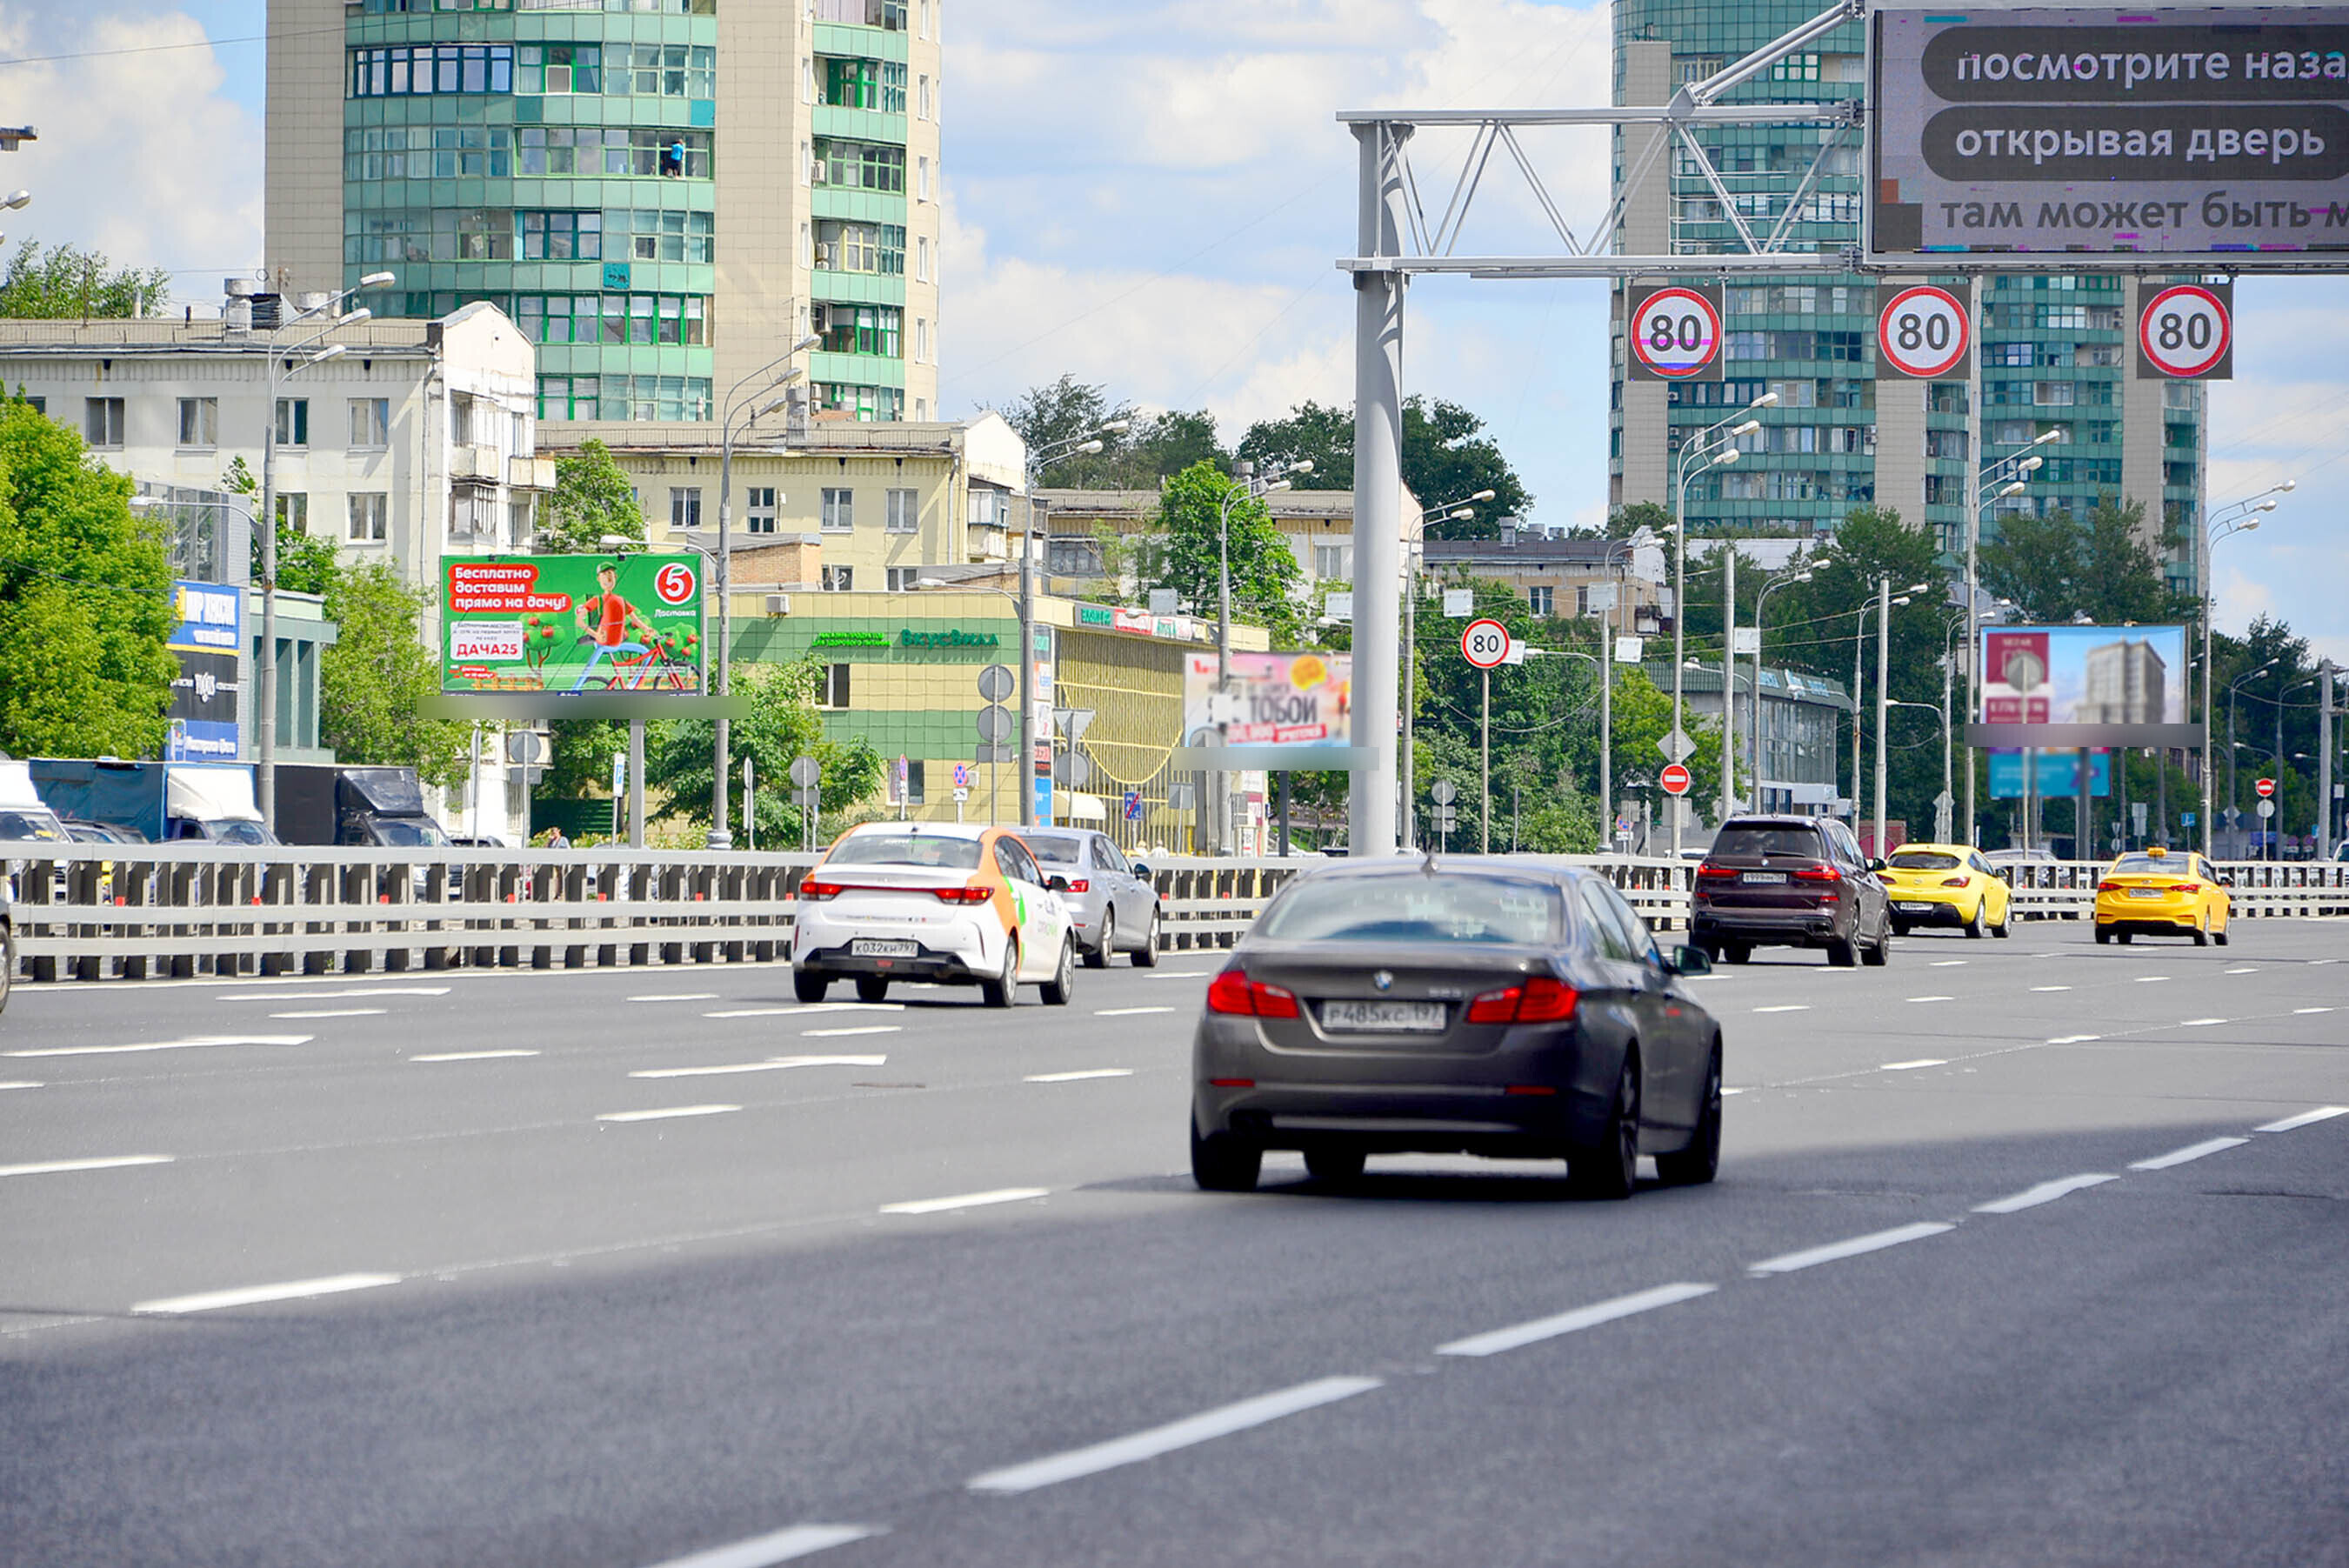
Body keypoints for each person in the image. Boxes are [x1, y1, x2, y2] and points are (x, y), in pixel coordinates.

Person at [572, 560, 659, 691]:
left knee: (647, 653)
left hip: (617, 644)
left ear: (615, 577)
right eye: (604, 574)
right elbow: (579, 621)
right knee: (586, 671)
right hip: (603, 645)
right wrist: (595, 635)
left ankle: (632, 685)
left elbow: (635, 619)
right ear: (598, 579)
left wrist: (647, 629)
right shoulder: (598, 600)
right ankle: (573, 691)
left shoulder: (621, 600)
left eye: (611, 574)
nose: (608, 578)